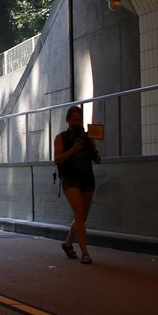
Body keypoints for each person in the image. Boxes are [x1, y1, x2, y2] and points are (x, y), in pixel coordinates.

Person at [52, 105, 101, 264]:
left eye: (79, 120)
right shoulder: (61, 137)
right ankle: (85, 252)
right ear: (68, 120)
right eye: (74, 120)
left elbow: (98, 160)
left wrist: (93, 150)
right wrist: (73, 149)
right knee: (79, 213)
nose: (77, 123)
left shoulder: (88, 137)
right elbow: (57, 160)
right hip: (70, 178)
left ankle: (68, 244)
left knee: (81, 217)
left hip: (87, 178)